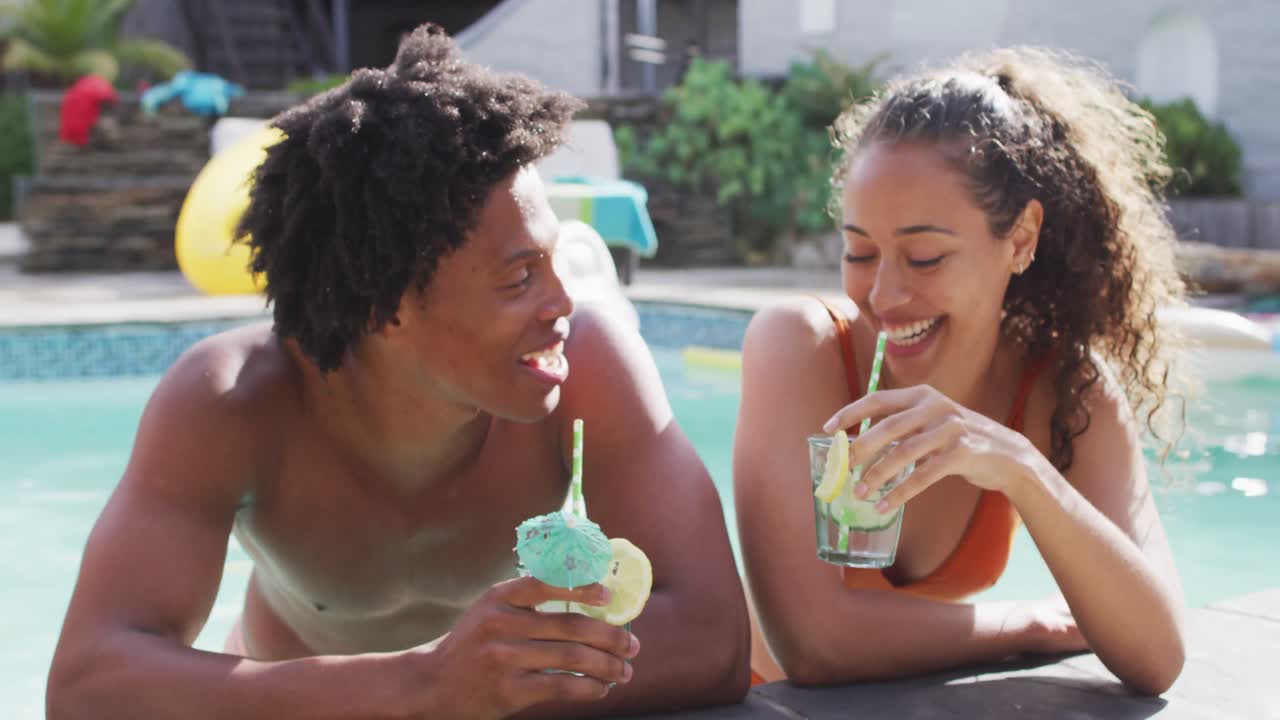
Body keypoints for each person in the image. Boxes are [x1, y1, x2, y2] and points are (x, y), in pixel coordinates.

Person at [47, 24, 749, 720]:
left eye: (555, 260)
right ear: (383, 305)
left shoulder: (590, 370)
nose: (563, 301)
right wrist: (421, 689)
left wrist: (483, 691)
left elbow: (715, 639)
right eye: (519, 279)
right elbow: (87, 684)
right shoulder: (235, 402)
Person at [734, 47, 1188, 696]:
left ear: (1022, 237)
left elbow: (1158, 652)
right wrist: (1026, 625)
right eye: (859, 251)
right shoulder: (801, 346)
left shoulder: (1057, 387)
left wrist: (1022, 468)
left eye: (923, 257)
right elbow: (811, 643)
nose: (884, 294)